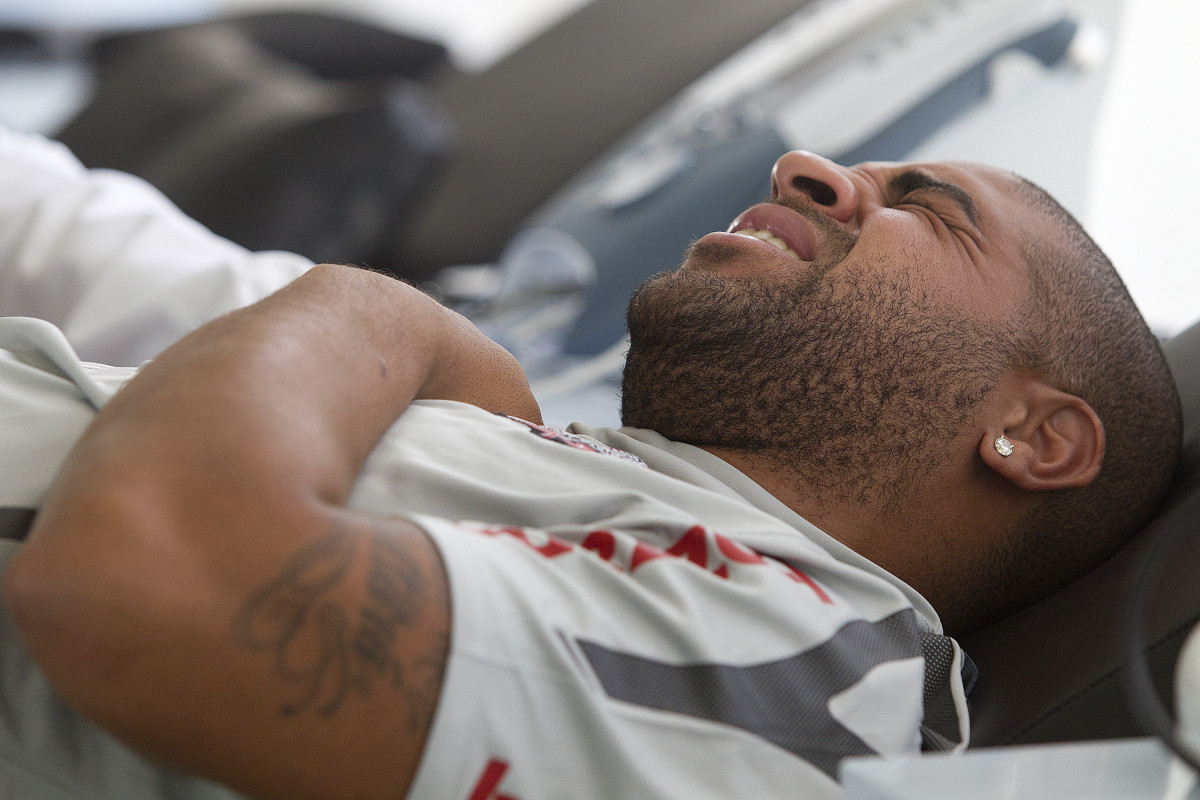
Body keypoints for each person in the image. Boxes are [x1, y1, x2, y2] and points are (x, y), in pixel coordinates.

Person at [0, 126, 1182, 800]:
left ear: (1034, 435)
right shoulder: (594, 480)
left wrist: (382, 317)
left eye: (927, 206)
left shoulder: (802, 666)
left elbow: (155, 595)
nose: (806, 169)